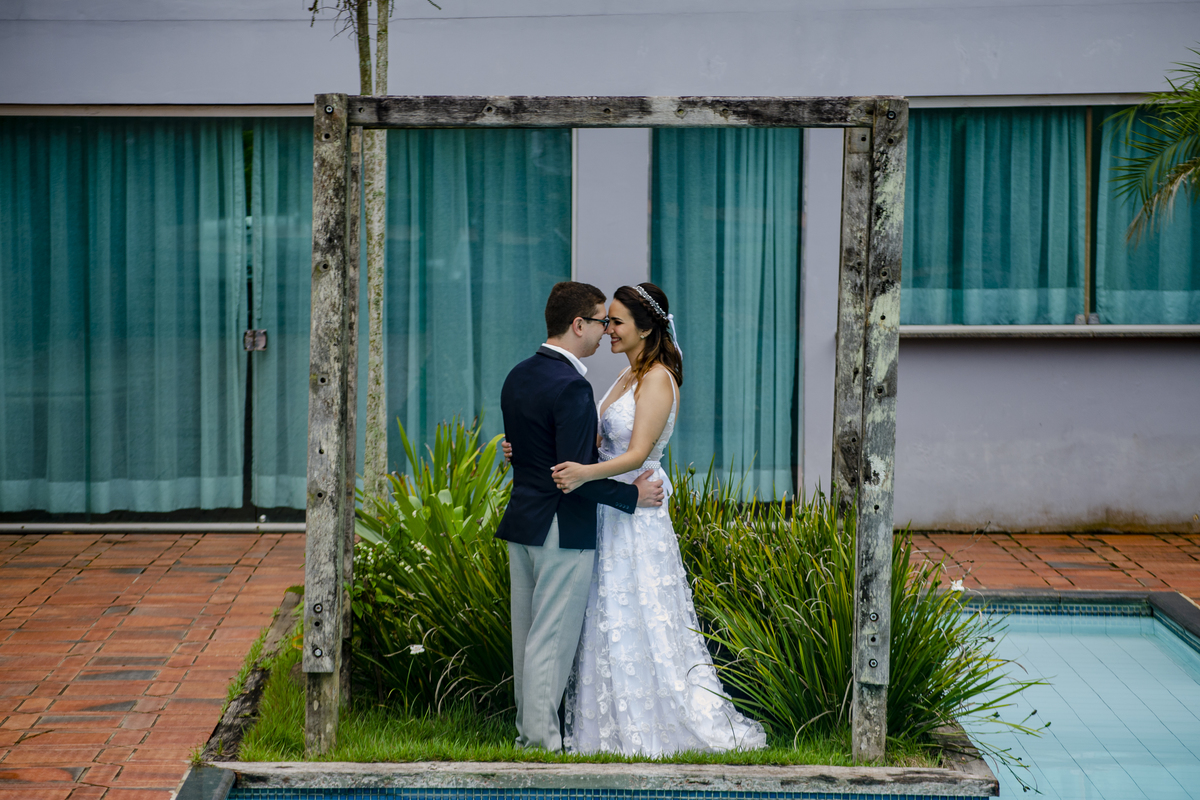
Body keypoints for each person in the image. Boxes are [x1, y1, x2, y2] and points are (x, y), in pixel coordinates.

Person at [529, 282, 767, 756]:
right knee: (607, 618)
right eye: (606, 321)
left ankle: (655, 723)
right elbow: (597, 441)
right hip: (612, 509)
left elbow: (637, 452)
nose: (608, 329)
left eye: (616, 322)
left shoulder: (657, 377)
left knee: (638, 616)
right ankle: (607, 725)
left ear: (644, 327)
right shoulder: (624, 376)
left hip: (638, 517)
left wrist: (584, 474)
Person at [495, 281, 665, 753]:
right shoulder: (572, 387)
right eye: (598, 321)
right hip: (559, 527)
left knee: (526, 637)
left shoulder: (518, 375)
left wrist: (518, 452)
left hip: (522, 522)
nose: (603, 331)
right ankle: (542, 742)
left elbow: (532, 451)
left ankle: (527, 737)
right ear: (577, 325)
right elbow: (573, 473)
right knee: (548, 641)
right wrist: (631, 496)